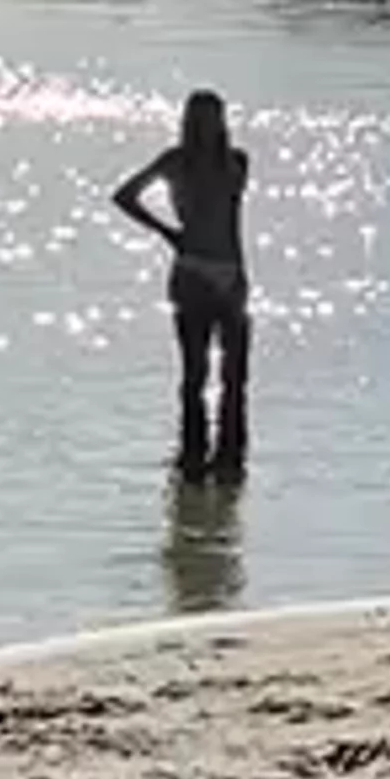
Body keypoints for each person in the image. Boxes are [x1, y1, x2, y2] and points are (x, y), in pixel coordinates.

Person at [114, 86, 252, 485]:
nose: (210, 126)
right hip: (192, 272)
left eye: (216, 118)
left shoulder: (238, 161)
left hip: (231, 271)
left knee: (236, 374)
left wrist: (239, 277)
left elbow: (231, 221)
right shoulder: (175, 162)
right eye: (202, 119)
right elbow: (124, 196)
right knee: (195, 372)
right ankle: (192, 457)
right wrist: (168, 233)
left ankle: (230, 458)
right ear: (191, 122)